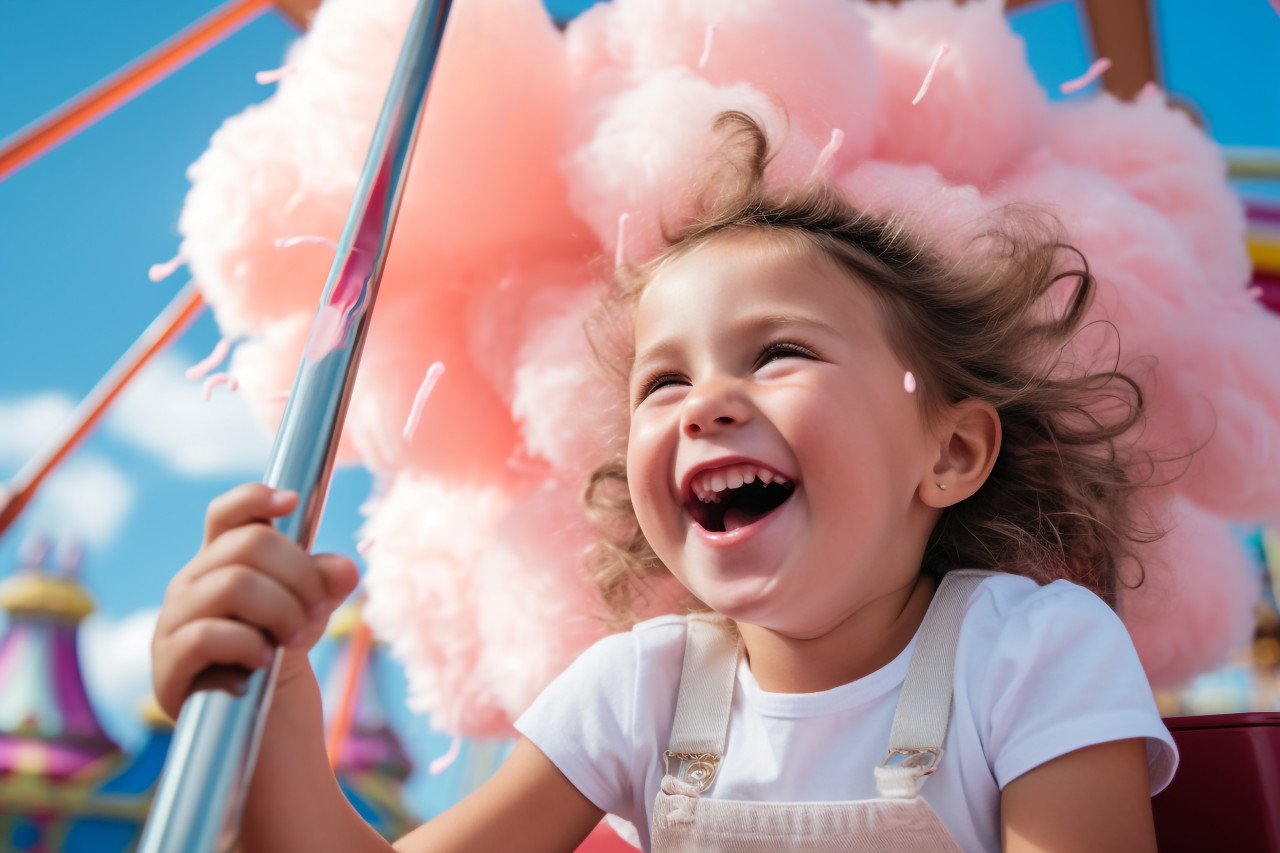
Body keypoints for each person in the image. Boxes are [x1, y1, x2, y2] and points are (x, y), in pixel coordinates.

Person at [151, 112, 1176, 852]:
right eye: (664, 380)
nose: (704, 402)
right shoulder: (639, 691)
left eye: (777, 352)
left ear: (947, 453)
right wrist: (268, 697)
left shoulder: (1031, 650)